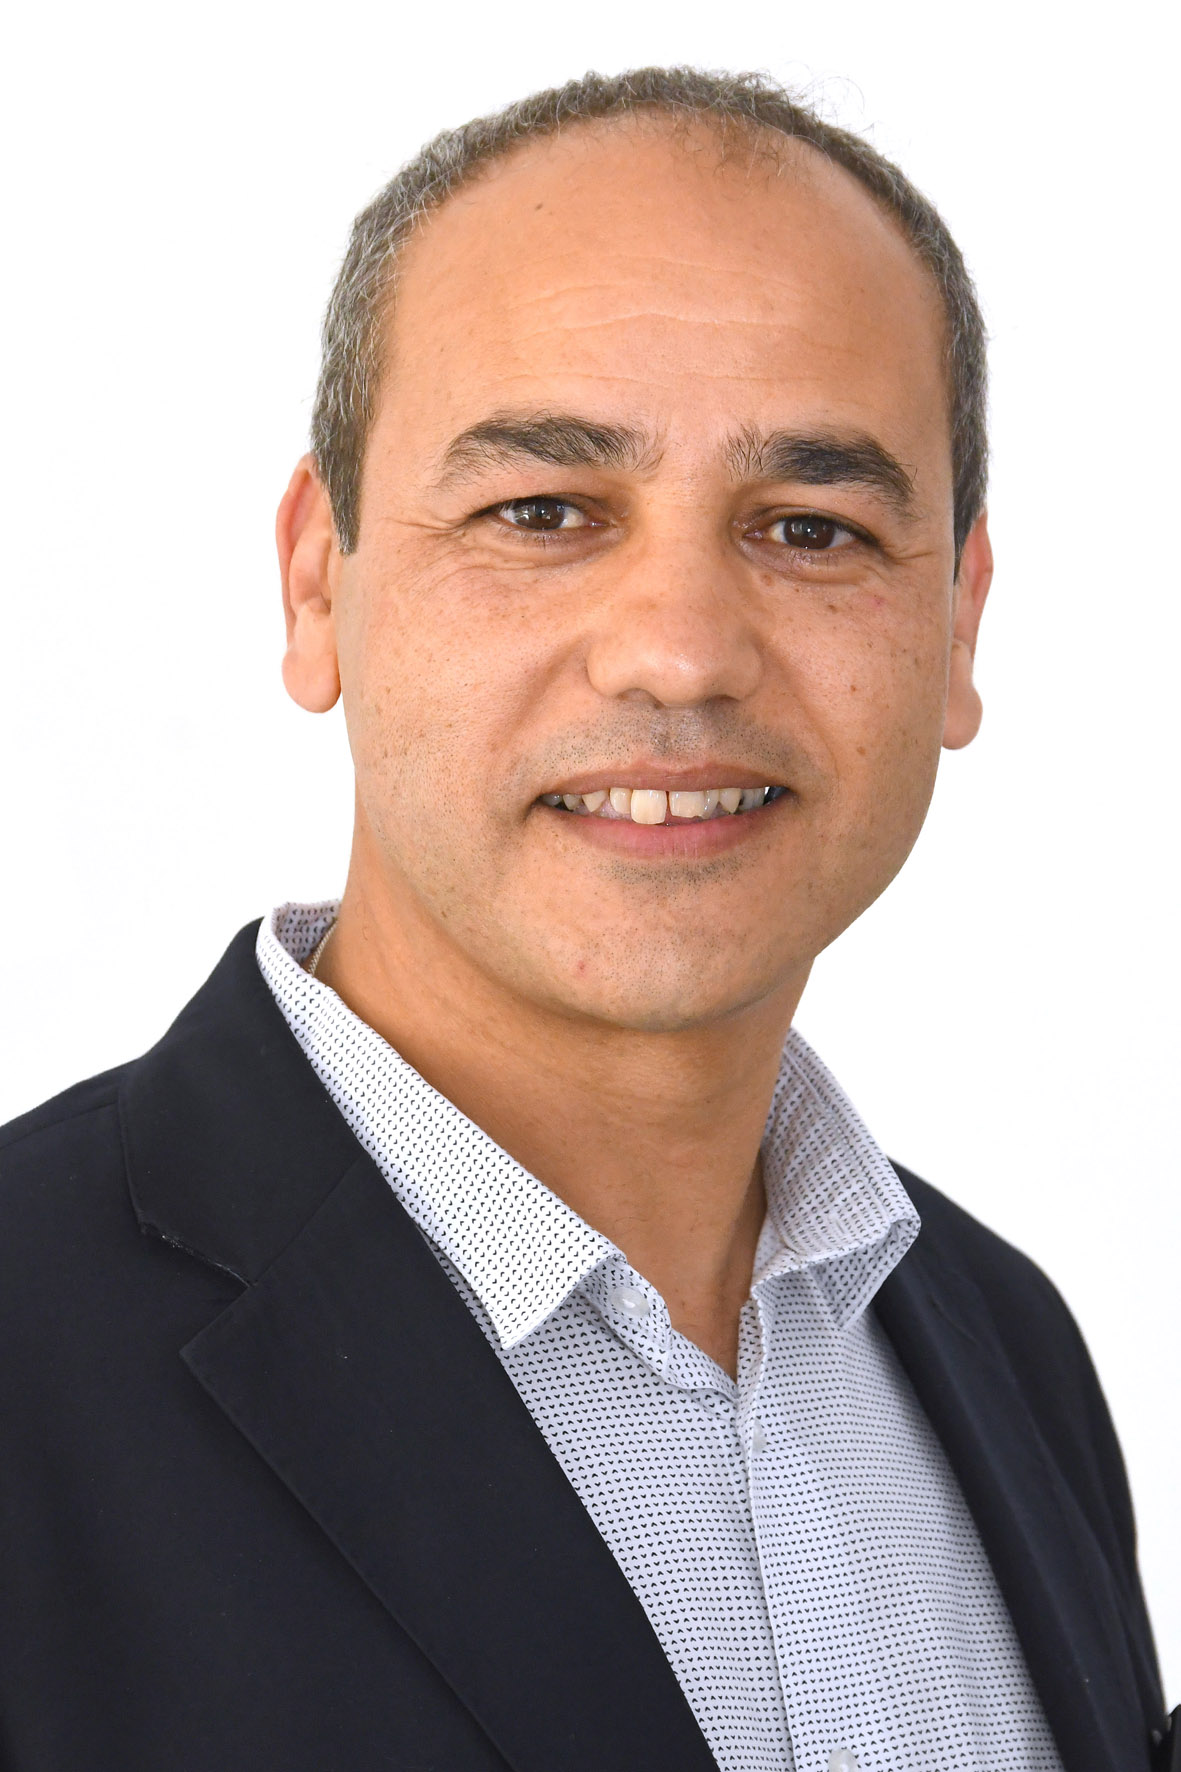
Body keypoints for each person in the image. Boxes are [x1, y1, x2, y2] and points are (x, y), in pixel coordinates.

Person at [0, 66, 1171, 1772]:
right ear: (317, 581)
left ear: (954, 622)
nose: (678, 651)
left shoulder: (1011, 1351)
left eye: (810, 528)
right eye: (541, 513)